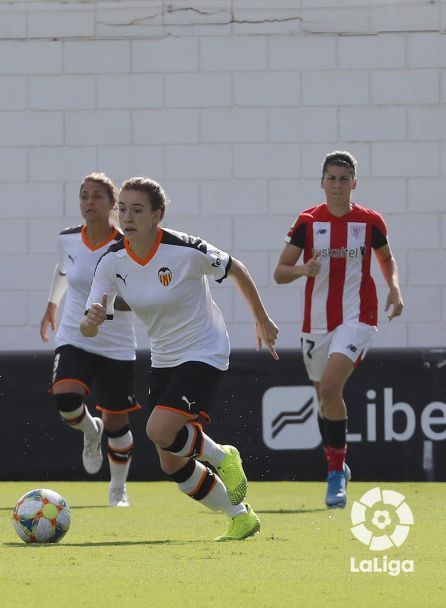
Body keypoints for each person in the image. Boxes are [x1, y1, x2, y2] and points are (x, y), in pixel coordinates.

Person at [81, 177, 279, 541]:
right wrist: (91, 319)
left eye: (137, 210)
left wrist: (262, 319)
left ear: (157, 215)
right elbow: (90, 324)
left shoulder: (184, 248)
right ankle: (240, 517)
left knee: (158, 430)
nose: (127, 217)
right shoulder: (111, 261)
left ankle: (223, 456)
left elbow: (236, 268)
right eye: (122, 209)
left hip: (205, 349)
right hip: (164, 357)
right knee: (170, 461)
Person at [273, 151, 403, 509]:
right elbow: (280, 271)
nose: (337, 185)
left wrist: (393, 286)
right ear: (322, 182)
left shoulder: (370, 222)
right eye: (331, 178)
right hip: (316, 323)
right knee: (324, 398)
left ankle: (333, 476)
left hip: (358, 316)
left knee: (331, 387)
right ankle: (338, 465)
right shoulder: (308, 222)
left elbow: (386, 258)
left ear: (354, 183)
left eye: (344, 179)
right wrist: (303, 270)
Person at [40, 172, 139, 507]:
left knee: (117, 421)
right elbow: (65, 269)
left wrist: (106, 306)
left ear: (113, 204)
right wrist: (52, 304)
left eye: (97, 196)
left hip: (116, 343)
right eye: (84, 196)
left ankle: (117, 488)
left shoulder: (127, 244)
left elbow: (139, 295)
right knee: (66, 400)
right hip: (74, 335)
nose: (89, 202)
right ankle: (89, 431)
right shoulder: (68, 239)